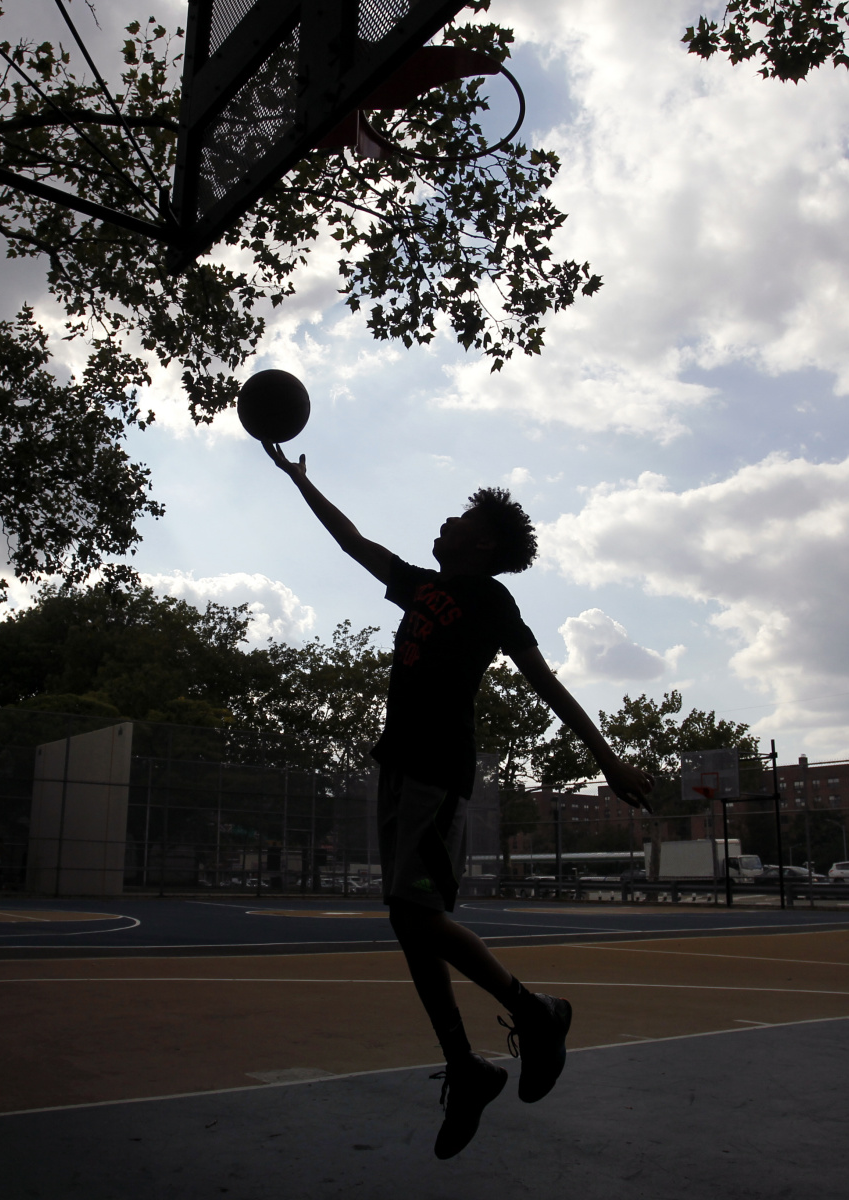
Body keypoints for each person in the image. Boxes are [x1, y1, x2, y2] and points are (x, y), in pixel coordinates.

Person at [263, 440, 654, 1159]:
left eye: (457, 518)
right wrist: (299, 481)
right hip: (397, 770)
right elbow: (353, 543)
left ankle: (535, 1011)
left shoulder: (492, 602)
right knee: (410, 923)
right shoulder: (421, 586)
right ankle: (469, 1067)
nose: (441, 523)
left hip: (436, 776)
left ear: (482, 543)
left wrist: (609, 757)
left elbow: (548, 685)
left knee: (416, 914)